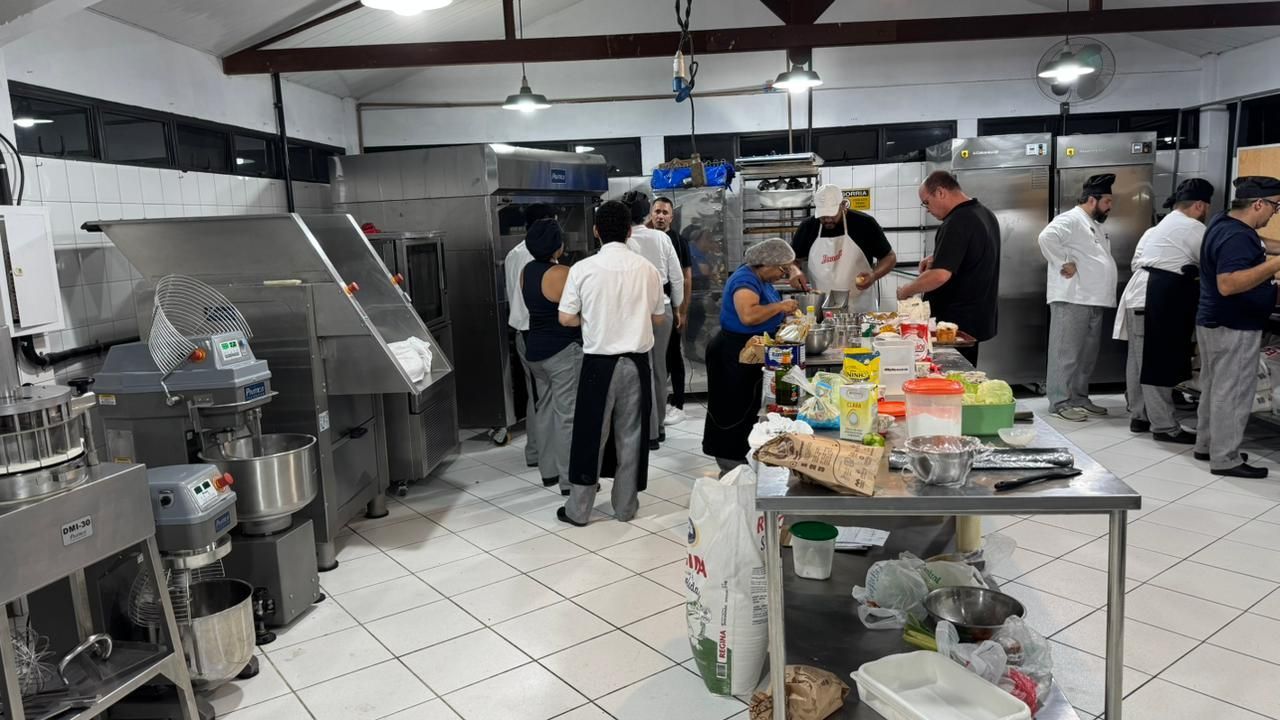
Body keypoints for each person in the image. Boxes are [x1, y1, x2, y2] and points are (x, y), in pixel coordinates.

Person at [557, 200, 665, 525]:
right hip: (636, 362)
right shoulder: (648, 269)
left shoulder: (582, 269)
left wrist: (593, 321)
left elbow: (565, 318)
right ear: (630, 231)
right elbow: (658, 319)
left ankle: (578, 510)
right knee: (631, 435)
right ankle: (625, 507)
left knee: (590, 435)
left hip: (598, 365)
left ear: (596, 232)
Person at [1113, 178, 1214, 444]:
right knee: (1156, 361)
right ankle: (1164, 425)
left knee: (1138, 360)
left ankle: (1140, 415)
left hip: (1139, 295)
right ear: (1200, 206)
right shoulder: (1194, 227)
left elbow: (1137, 263)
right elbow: (1212, 261)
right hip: (1157, 297)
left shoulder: (1156, 228)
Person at [1194, 176, 1280, 479]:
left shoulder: (1223, 222)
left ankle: (1207, 445)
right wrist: (1274, 265)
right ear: (1259, 204)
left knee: (1215, 388)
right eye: (1275, 207)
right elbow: (1228, 284)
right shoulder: (1238, 238)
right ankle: (1226, 458)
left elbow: (1262, 243)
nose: (1274, 214)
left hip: (1213, 321)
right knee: (1233, 392)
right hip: (1234, 324)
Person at [702, 238, 801, 473]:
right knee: (730, 408)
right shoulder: (745, 280)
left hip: (750, 352)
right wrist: (780, 307)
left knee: (746, 407)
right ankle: (728, 461)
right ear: (765, 263)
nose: (783, 274)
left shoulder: (762, 279)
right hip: (732, 353)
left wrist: (783, 320)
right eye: (781, 269)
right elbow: (748, 315)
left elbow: (764, 311)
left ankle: (738, 459)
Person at [1037, 174, 1119, 422]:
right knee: (1066, 352)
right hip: (1073, 297)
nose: (1110, 206)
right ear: (1092, 200)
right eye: (1107, 201)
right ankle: (1059, 401)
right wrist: (1064, 262)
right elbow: (1045, 237)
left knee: (1086, 354)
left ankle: (1079, 397)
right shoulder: (1070, 219)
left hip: (1094, 298)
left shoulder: (1094, 225)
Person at [897, 171, 1001, 366]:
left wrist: (906, 291)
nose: (927, 210)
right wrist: (939, 256)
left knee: (950, 379)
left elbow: (939, 276)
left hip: (953, 326)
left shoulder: (957, 221)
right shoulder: (983, 213)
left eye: (926, 202)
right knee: (962, 374)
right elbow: (973, 253)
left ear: (940, 192)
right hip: (974, 318)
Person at [520, 218, 583, 494]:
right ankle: (570, 480)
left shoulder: (526, 271)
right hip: (562, 351)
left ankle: (548, 472)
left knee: (543, 410)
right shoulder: (561, 274)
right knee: (567, 415)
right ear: (558, 245)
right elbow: (576, 311)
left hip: (534, 351)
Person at [621, 191, 684, 450]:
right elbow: (677, 278)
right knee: (659, 369)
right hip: (662, 310)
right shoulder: (660, 238)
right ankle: (657, 430)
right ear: (647, 213)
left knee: (638, 371)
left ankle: (643, 429)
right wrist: (678, 308)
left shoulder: (623, 239)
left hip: (631, 312)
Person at [502, 203, 556, 464]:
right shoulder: (537, 257)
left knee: (535, 393)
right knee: (544, 397)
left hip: (521, 332)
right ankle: (539, 453)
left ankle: (535, 450)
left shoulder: (513, 253)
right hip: (536, 331)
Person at [790, 184, 896, 312]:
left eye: (832, 215)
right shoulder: (808, 227)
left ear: (843, 206)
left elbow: (889, 257)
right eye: (823, 216)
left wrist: (873, 275)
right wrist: (794, 271)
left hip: (860, 310)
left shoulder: (864, 224)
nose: (828, 220)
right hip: (822, 310)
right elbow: (793, 261)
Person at [649, 196, 693, 426]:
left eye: (665, 213)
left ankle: (678, 403)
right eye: (657, 211)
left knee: (674, 355)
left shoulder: (678, 241)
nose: (660, 216)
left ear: (671, 217)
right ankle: (658, 402)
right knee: (655, 359)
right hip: (648, 308)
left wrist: (682, 309)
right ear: (650, 213)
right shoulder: (645, 239)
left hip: (670, 308)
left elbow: (686, 277)